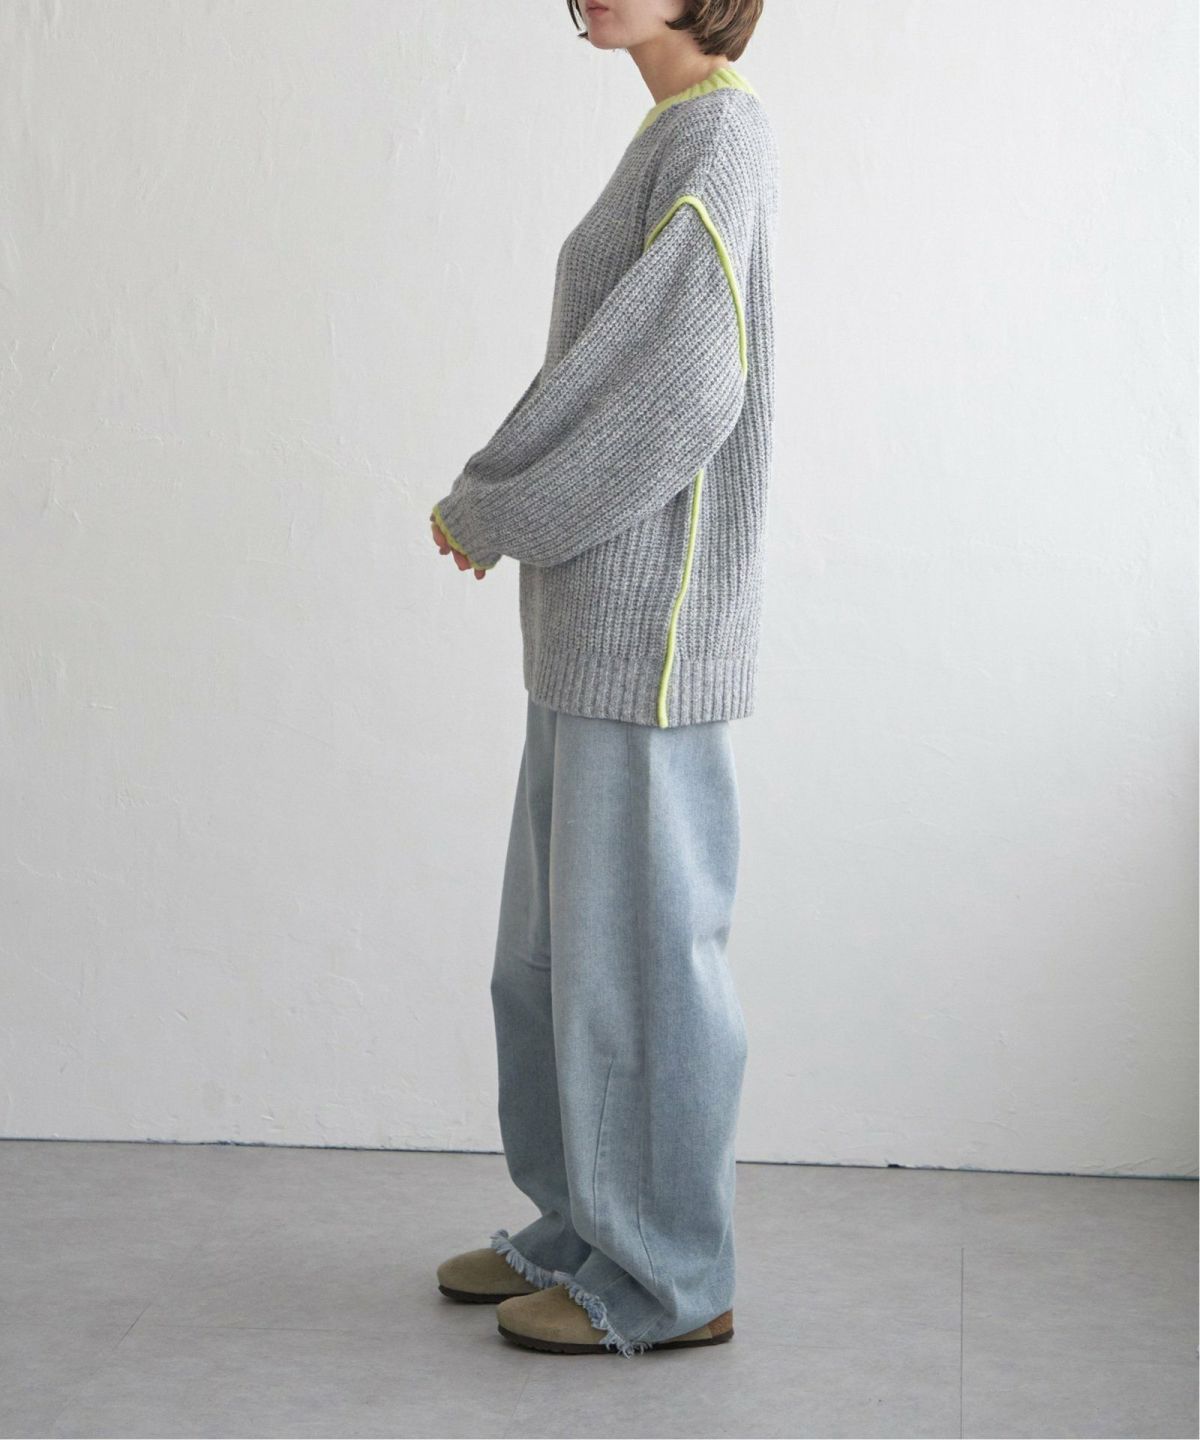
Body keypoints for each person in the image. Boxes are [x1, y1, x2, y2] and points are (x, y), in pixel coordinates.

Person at [429, 0, 778, 1357]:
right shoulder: (670, 132)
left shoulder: (721, 137)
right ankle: (584, 1227)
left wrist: (503, 504)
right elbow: (604, 370)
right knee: (550, 964)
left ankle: (669, 1277)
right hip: (591, 624)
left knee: (638, 973)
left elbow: (678, 387)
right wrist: (502, 500)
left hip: (652, 634)